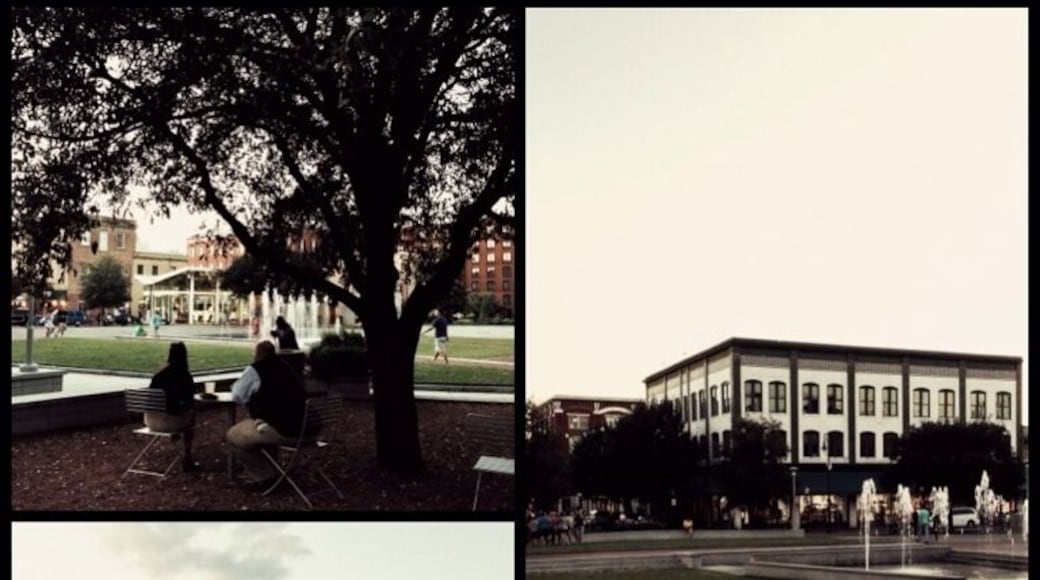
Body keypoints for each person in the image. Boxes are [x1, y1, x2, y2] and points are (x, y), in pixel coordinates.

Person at [226, 340, 308, 488]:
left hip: (284, 430)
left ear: (258, 354)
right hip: (307, 429)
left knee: (233, 436)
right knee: (262, 426)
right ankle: (271, 469)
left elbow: (237, 395)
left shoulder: (256, 370)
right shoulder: (286, 367)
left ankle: (264, 475)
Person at [145, 342, 198, 471]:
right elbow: (189, 401)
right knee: (191, 414)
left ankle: (177, 437)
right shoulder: (184, 376)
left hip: (150, 421)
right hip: (171, 421)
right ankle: (187, 456)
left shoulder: (158, 375)